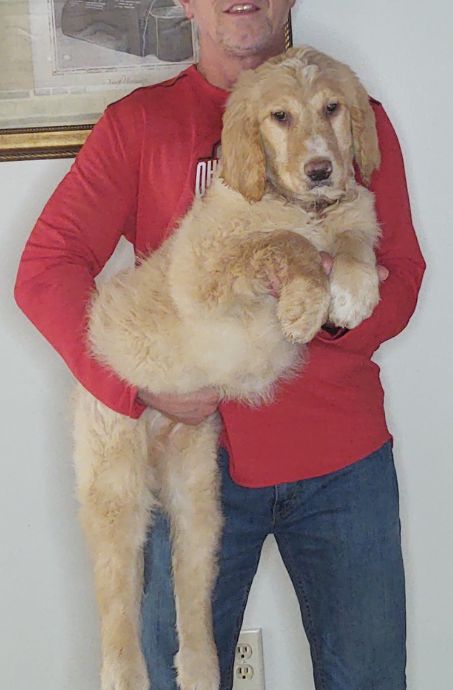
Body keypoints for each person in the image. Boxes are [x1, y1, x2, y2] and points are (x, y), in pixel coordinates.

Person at [15, 1, 425, 688]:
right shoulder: (140, 124)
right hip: (194, 465)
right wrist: (134, 384)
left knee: (371, 679)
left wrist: (330, 309)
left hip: (342, 464)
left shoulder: (348, 114)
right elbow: (44, 269)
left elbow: (403, 278)